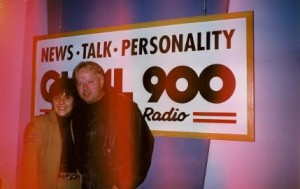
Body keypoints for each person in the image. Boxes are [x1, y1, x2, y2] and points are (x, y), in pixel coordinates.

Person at [72, 61, 154, 189]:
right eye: (80, 83)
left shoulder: (124, 108)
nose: (84, 88)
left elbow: (144, 147)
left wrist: (122, 185)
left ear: (101, 81)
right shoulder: (77, 112)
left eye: (90, 81)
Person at [20, 77, 81, 189]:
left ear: (75, 100)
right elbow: (29, 168)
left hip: (78, 184)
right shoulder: (39, 124)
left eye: (67, 97)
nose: (61, 102)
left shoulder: (83, 123)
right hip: (52, 184)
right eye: (57, 97)